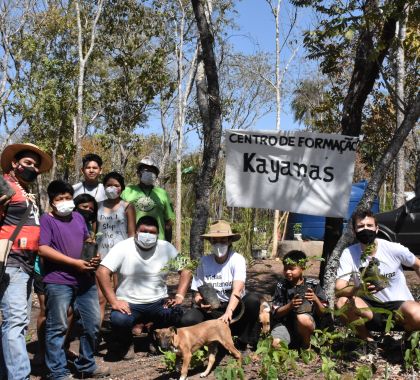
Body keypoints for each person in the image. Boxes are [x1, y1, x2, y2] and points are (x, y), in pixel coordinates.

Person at [38, 180, 110, 379]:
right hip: (58, 281)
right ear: (52, 202)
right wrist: (73, 262)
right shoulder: (47, 220)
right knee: (58, 326)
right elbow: (42, 248)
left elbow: (87, 241)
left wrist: (93, 257)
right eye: (59, 199)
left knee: (93, 324)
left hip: (85, 280)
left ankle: (86, 365)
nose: (65, 202)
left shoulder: (79, 217)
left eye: (68, 198)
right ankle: (57, 371)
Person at [96, 215, 191, 360]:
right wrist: (114, 301)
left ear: (157, 234)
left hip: (158, 302)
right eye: (144, 231)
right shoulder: (123, 246)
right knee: (119, 319)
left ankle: (157, 339)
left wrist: (179, 295)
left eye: (152, 232)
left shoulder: (166, 247)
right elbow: (102, 271)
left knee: (175, 313)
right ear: (136, 232)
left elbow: (187, 269)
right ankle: (126, 343)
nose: (148, 235)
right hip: (129, 303)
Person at [0, 143, 52, 380]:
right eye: (28, 163)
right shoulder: (5, 187)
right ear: (14, 163)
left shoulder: (26, 193)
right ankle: (19, 376)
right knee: (17, 321)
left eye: (36, 165)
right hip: (11, 261)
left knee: (14, 322)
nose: (33, 168)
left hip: (28, 264)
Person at [335, 209, 420, 349]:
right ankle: (368, 341)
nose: (365, 229)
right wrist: (359, 289)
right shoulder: (349, 253)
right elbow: (339, 287)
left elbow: (417, 264)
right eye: (361, 226)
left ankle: (407, 339)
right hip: (370, 308)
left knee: (418, 314)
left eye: (369, 225)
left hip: (399, 307)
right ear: (354, 230)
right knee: (342, 303)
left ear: (377, 228)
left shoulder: (393, 248)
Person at [180, 220, 261, 351]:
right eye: (215, 241)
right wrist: (200, 302)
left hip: (234, 309)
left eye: (223, 241)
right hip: (212, 309)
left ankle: (242, 340)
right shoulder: (204, 262)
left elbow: (238, 289)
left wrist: (229, 312)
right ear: (210, 242)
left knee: (252, 300)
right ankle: (206, 341)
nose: (219, 244)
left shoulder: (237, 259)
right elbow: (197, 291)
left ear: (229, 241)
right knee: (187, 320)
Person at [96, 172, 136, 324]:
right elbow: (94, 232)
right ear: (104, 187)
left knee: (120, 294)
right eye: (109, 185)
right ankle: (96, 332)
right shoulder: (98, 206)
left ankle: (118, 329)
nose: (112, 188)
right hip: (101, 255)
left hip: (121, 256)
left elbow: (132, 232)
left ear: (122, 188)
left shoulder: (127, 206)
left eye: (116, 185)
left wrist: (131, 254)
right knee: (100, 297)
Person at [270, 250, 327, 349]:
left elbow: (324, 313)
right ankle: (293, 343)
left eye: (292, 269)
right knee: (276, 344)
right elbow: (276, 312)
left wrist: (315, 300)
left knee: (303, 318)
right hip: (286, 325)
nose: (288, 272)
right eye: (285, 268)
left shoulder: (313, 284)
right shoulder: (281, 285)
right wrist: (290, 306)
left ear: (303, 268)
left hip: (307, 326)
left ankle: (306, 345)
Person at [121, 156, 174, 241]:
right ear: (139, 173)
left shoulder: (162, 193)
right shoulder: (128, 191)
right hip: (132, 242)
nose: (149, 172)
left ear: (156, 175)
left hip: (158, 242)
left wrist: (167, 244)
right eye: (146, 170)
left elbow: (168, 223)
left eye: (152, 171)